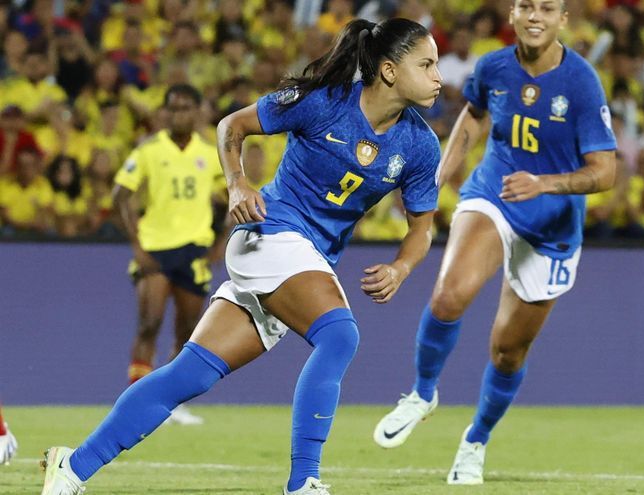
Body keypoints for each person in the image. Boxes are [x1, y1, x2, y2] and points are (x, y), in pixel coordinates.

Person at [40, 18, 441, 495]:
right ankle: (304, 481)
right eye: (427, 64)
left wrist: (402, 266)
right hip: (271, 235)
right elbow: (233, 125)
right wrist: (237, 183)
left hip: (302, 258)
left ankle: (72, 467)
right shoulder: (323, 103)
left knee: (189, 375)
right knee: (339, 337)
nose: (439, 75)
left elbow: (422, 229)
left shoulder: (419, 146)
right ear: (391, 71)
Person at [373, 0, 617, 485]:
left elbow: (605, 171)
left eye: (547, 8)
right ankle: (423, 393)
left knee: (508, 352)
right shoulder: (493, 66)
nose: (535, 16)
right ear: (512, 13)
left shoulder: (582, 83)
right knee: (449, 294)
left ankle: (475, 441)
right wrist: (435, 181)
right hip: (495, 194)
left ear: (561, 19)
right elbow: (472, 119)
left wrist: (546, 184)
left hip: (552, 227)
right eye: (526, 5)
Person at [112, 84, 225, 426]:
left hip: (193, 249)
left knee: (189, 333)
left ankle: (171, 403)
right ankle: (134, 402)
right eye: (173, 109)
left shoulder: (208, 154)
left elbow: (231, 197)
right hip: (156, 248)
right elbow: (120, 195)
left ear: (198, 112)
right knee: (149, 324)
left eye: (186, 108)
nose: (180, 115)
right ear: (165, 113)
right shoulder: (149, 150)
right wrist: (137, 245)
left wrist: (220, 244)